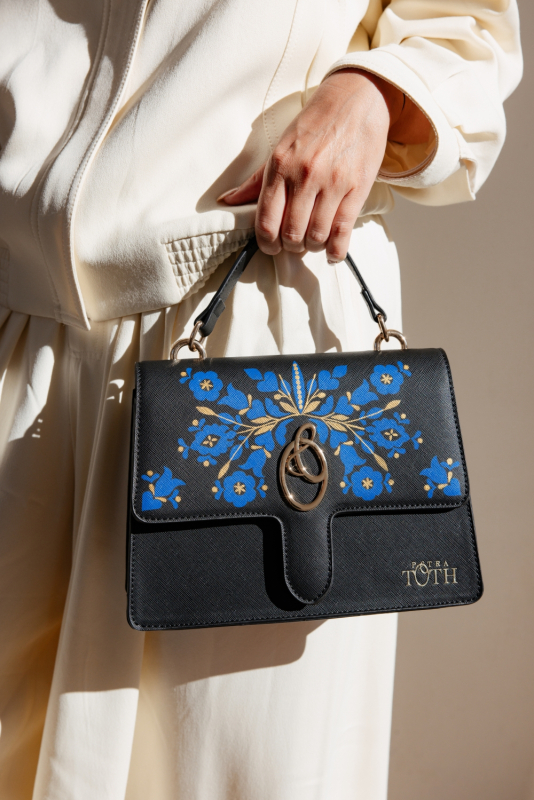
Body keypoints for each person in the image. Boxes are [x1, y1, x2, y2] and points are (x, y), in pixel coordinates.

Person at [0, 1, 522, 798]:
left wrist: (374, 90)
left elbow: (468, 21)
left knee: (237, 771)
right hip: (22, 323)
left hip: (260, 343)